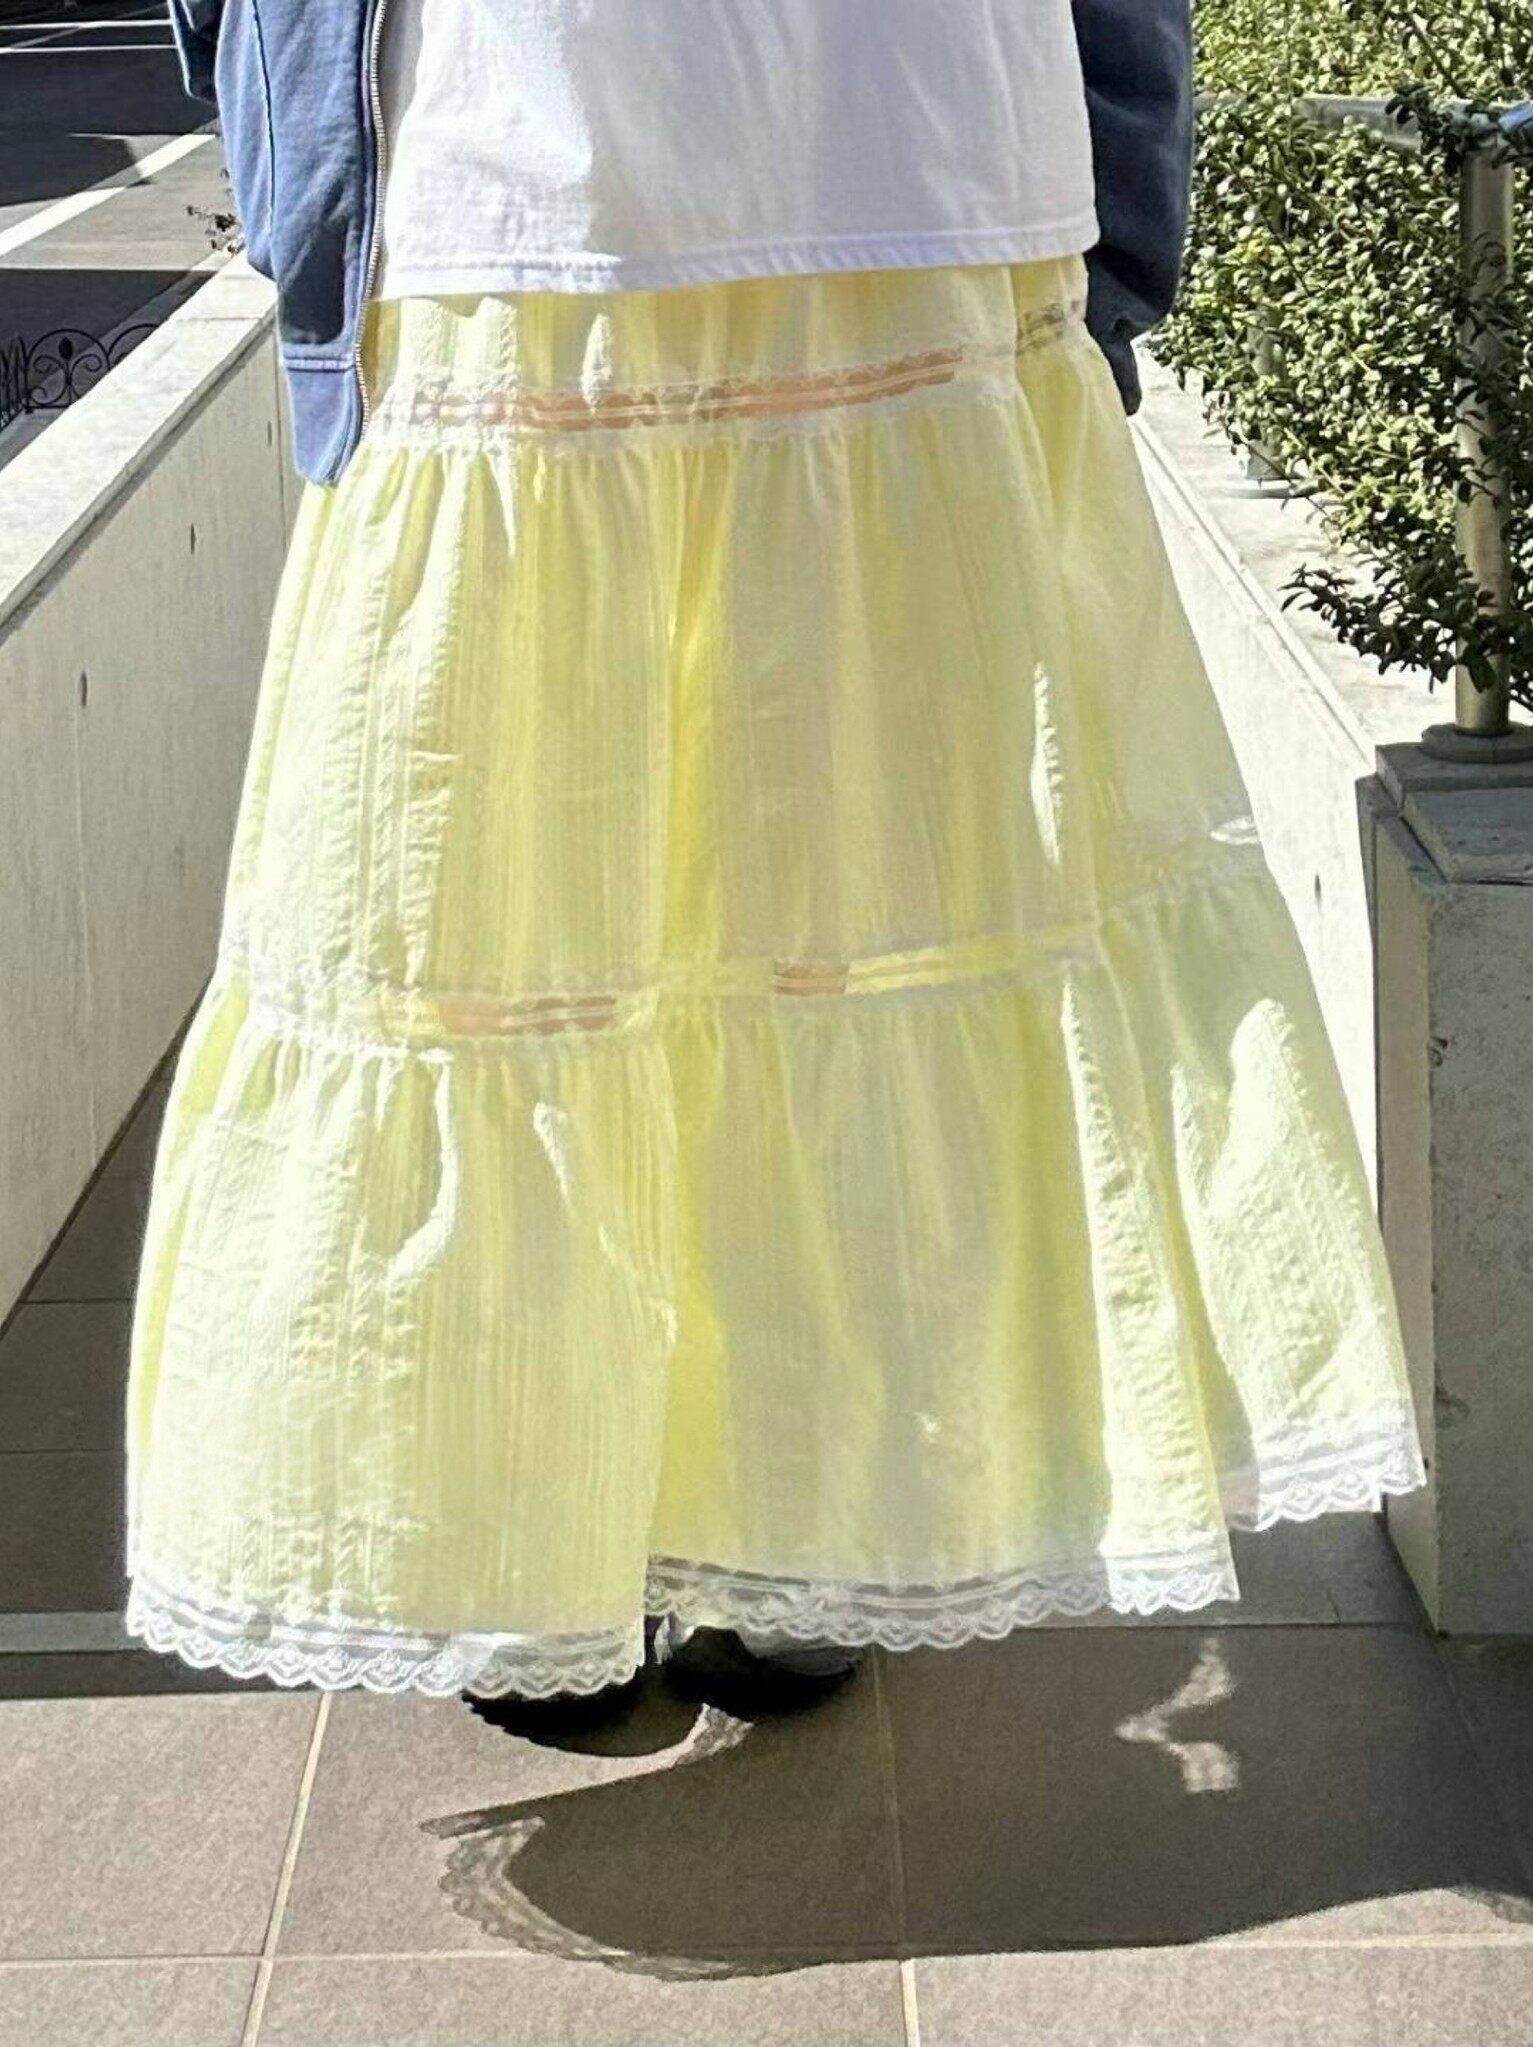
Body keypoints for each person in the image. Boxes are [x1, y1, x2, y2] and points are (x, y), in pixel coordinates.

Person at [125, 0, 1426, 1722]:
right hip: (757, 185)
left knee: (595, 922)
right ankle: (728, 1528)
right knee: (782, 912)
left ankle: (657, 1534)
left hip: (657, 185)